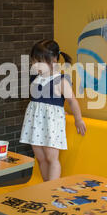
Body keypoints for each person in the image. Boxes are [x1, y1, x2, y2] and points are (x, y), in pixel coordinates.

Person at [20, 40, 86, 181]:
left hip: (51, 124)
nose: (35, 65)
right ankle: (45, 185)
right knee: (40, 157)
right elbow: (42, 101)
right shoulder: (35, 78)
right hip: (36, 123)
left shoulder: (61, 80)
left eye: (39, 62)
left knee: (51, 158)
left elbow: (72, 101)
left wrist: (78, 119)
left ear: (54, 60)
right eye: (33, 61)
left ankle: (52, 189)